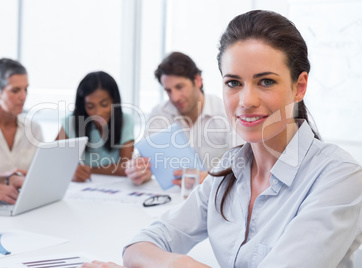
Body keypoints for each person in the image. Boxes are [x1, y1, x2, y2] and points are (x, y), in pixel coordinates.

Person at [84, 10, 362, 267]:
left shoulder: (338, 177)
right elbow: (138, 246)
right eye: (234, 83)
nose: (246, 101)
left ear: (299, 86)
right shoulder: (228, 172)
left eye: (266, 81)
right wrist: (172, 263)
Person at [125, 51, 239, 186]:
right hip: (172, 195)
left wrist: (210, 178)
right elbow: (146, 161)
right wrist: (139, 171)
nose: (175, 97)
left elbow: (244, 164)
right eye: (168, 90)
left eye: (179, 87)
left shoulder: (225, 111)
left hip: (216, 194)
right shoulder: (160, 113)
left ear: (197, 81)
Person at [56, 71, 134, 181]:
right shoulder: (72, 122)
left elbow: (125, 167)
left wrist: (88, 170)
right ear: (83, 106)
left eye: (104, 104)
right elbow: (52, 161)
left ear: (114, 101)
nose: (99, 113)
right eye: (90, 106)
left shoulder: (125, 120)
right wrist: (71, 172)